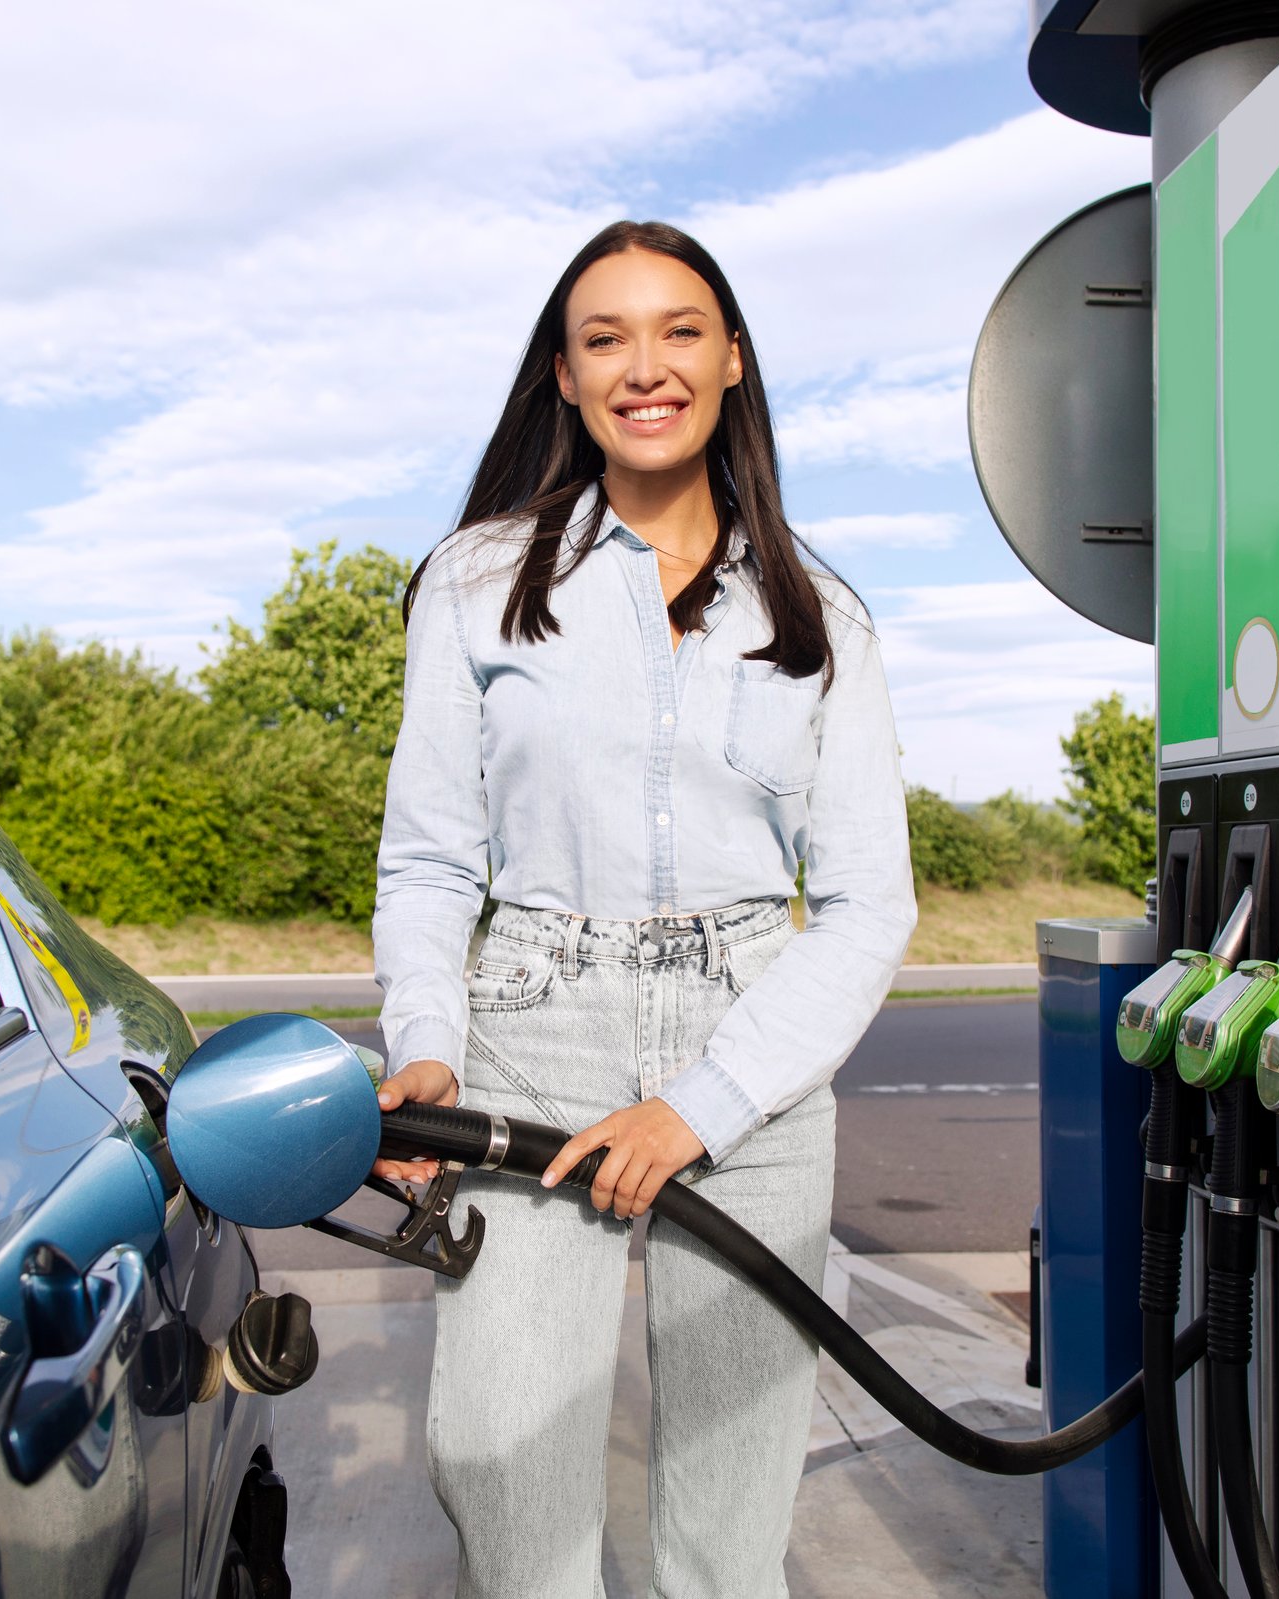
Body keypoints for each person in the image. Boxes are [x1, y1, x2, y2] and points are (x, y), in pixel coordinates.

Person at [371, 220, 917, 1595]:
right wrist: (424, 1044)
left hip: (755, 1054)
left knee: (728, 1528)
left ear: (731, 358)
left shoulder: (824, 613)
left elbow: (865, 903)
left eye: (679, 329)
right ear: (563, 375)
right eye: (604, 337)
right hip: (532, 1033)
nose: (644, 364)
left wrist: (708, 1100)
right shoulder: (479, 581)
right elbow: (432, 857)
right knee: (500, 1463)